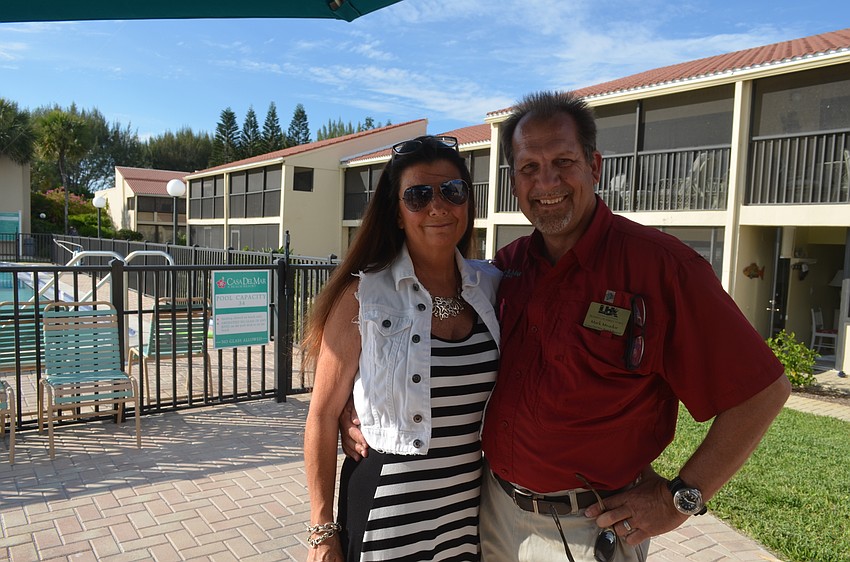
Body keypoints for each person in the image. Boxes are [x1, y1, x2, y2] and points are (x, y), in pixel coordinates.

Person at [342, 92, 791, 562]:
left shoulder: (662, 269)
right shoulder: (506, 271)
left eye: (563, 161)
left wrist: (680, 497)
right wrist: (351, 407)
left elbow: (762, 392)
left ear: (594, 166)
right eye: (529, 168)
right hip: (488, 515)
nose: (547, 182)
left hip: (585, 528)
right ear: (513, 179)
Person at [303, 135, 502, 561]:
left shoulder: (490, 288)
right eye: (417, 195)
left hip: (466, 513)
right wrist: (322, 532)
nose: (438, 205)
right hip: (387, 514)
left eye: (452, 191)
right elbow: (320, 413)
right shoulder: (363, 297)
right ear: (396, 212)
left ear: (467, 202)